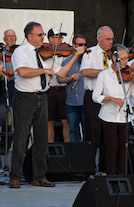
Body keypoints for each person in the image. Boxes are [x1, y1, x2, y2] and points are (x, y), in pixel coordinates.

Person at [9, 21, 84, 188]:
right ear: (30, 36)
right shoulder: (20, 52)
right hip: (24, 98)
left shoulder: (44, 54)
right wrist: (44, 70)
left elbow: (61, 73)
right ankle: (15, 176)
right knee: (21, 138)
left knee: (42, 139)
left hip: (42, 97)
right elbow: (22, 71)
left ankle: (39, 176)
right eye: (40, 35)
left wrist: (75, 56)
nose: (44, 38)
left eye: (43, 34)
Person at [92, 44, 134, 175]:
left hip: (125, 118)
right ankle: (111, 177)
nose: (126, 62)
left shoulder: (129, 75)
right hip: (108, 117)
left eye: (126, 58)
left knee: (124, 150)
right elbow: (95, 96)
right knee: (112, 148)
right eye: (123, 59)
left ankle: (122, 177)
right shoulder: (104, 75)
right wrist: (111, 98)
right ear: (114, 58)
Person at [80, 26, 114, 172]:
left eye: (112, 39)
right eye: (108, 39)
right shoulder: (90, 53)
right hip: (93, 96)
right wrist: (106, 73)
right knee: (92, 132)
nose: (111, 42)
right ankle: (89, 167)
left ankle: (105, 167)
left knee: (107, 133)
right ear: (99, 38)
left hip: (109, 97)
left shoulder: (114, 54)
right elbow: (85, 71)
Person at [58, 34, 87, 142]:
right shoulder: (67, 61)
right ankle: (75, 154)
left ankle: (85, 154)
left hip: (85, 101)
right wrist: (69, 78)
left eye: (85, 45)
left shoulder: (88, 60)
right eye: (80, 44)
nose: (83, 47)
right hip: (71, 102)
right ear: (74, 45)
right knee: (73, 130)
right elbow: (59, 79)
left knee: (86, 130)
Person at [47, 27, 70, 143]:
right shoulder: (45, 53)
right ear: (50, 39)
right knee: (49, 121)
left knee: (66, 120)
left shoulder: (66, 53)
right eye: (57, 37)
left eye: (61, 38)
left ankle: (69, 149)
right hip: (50, 90)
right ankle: (49, 148)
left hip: (64, 90)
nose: (60, 40)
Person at [0, 29, 17, 154]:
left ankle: (7, 145)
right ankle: (3, 145)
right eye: (9, 36)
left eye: (13, 36)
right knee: (4, 113)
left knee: (11, 114)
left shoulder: (19, 51)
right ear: (4, 39)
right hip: (2, 83)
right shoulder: (1, 52)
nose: (11, 38)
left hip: (15, 84)